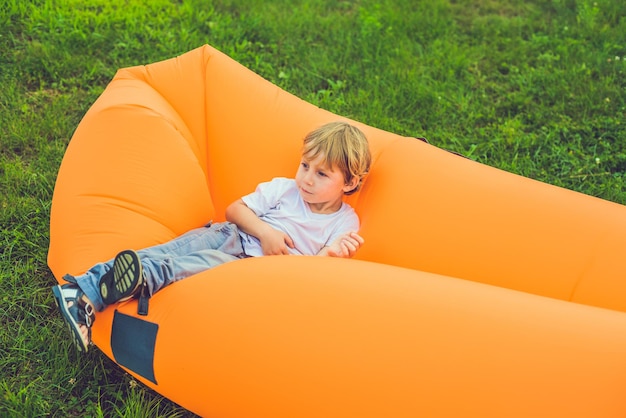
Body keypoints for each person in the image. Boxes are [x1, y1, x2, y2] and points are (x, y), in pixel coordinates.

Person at [52, 121, 372, 352]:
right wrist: (266, 232)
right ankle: (84, 288)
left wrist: (331, 256)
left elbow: (316, 277)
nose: (306, 179)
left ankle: (129, 283)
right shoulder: (284, 189)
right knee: (166, 250)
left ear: (349, 183)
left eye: (321, 174)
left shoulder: (344, 222)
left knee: (183, 267)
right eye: (305, 165)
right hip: (229, 234)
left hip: (245, 267)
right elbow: (235, 210)